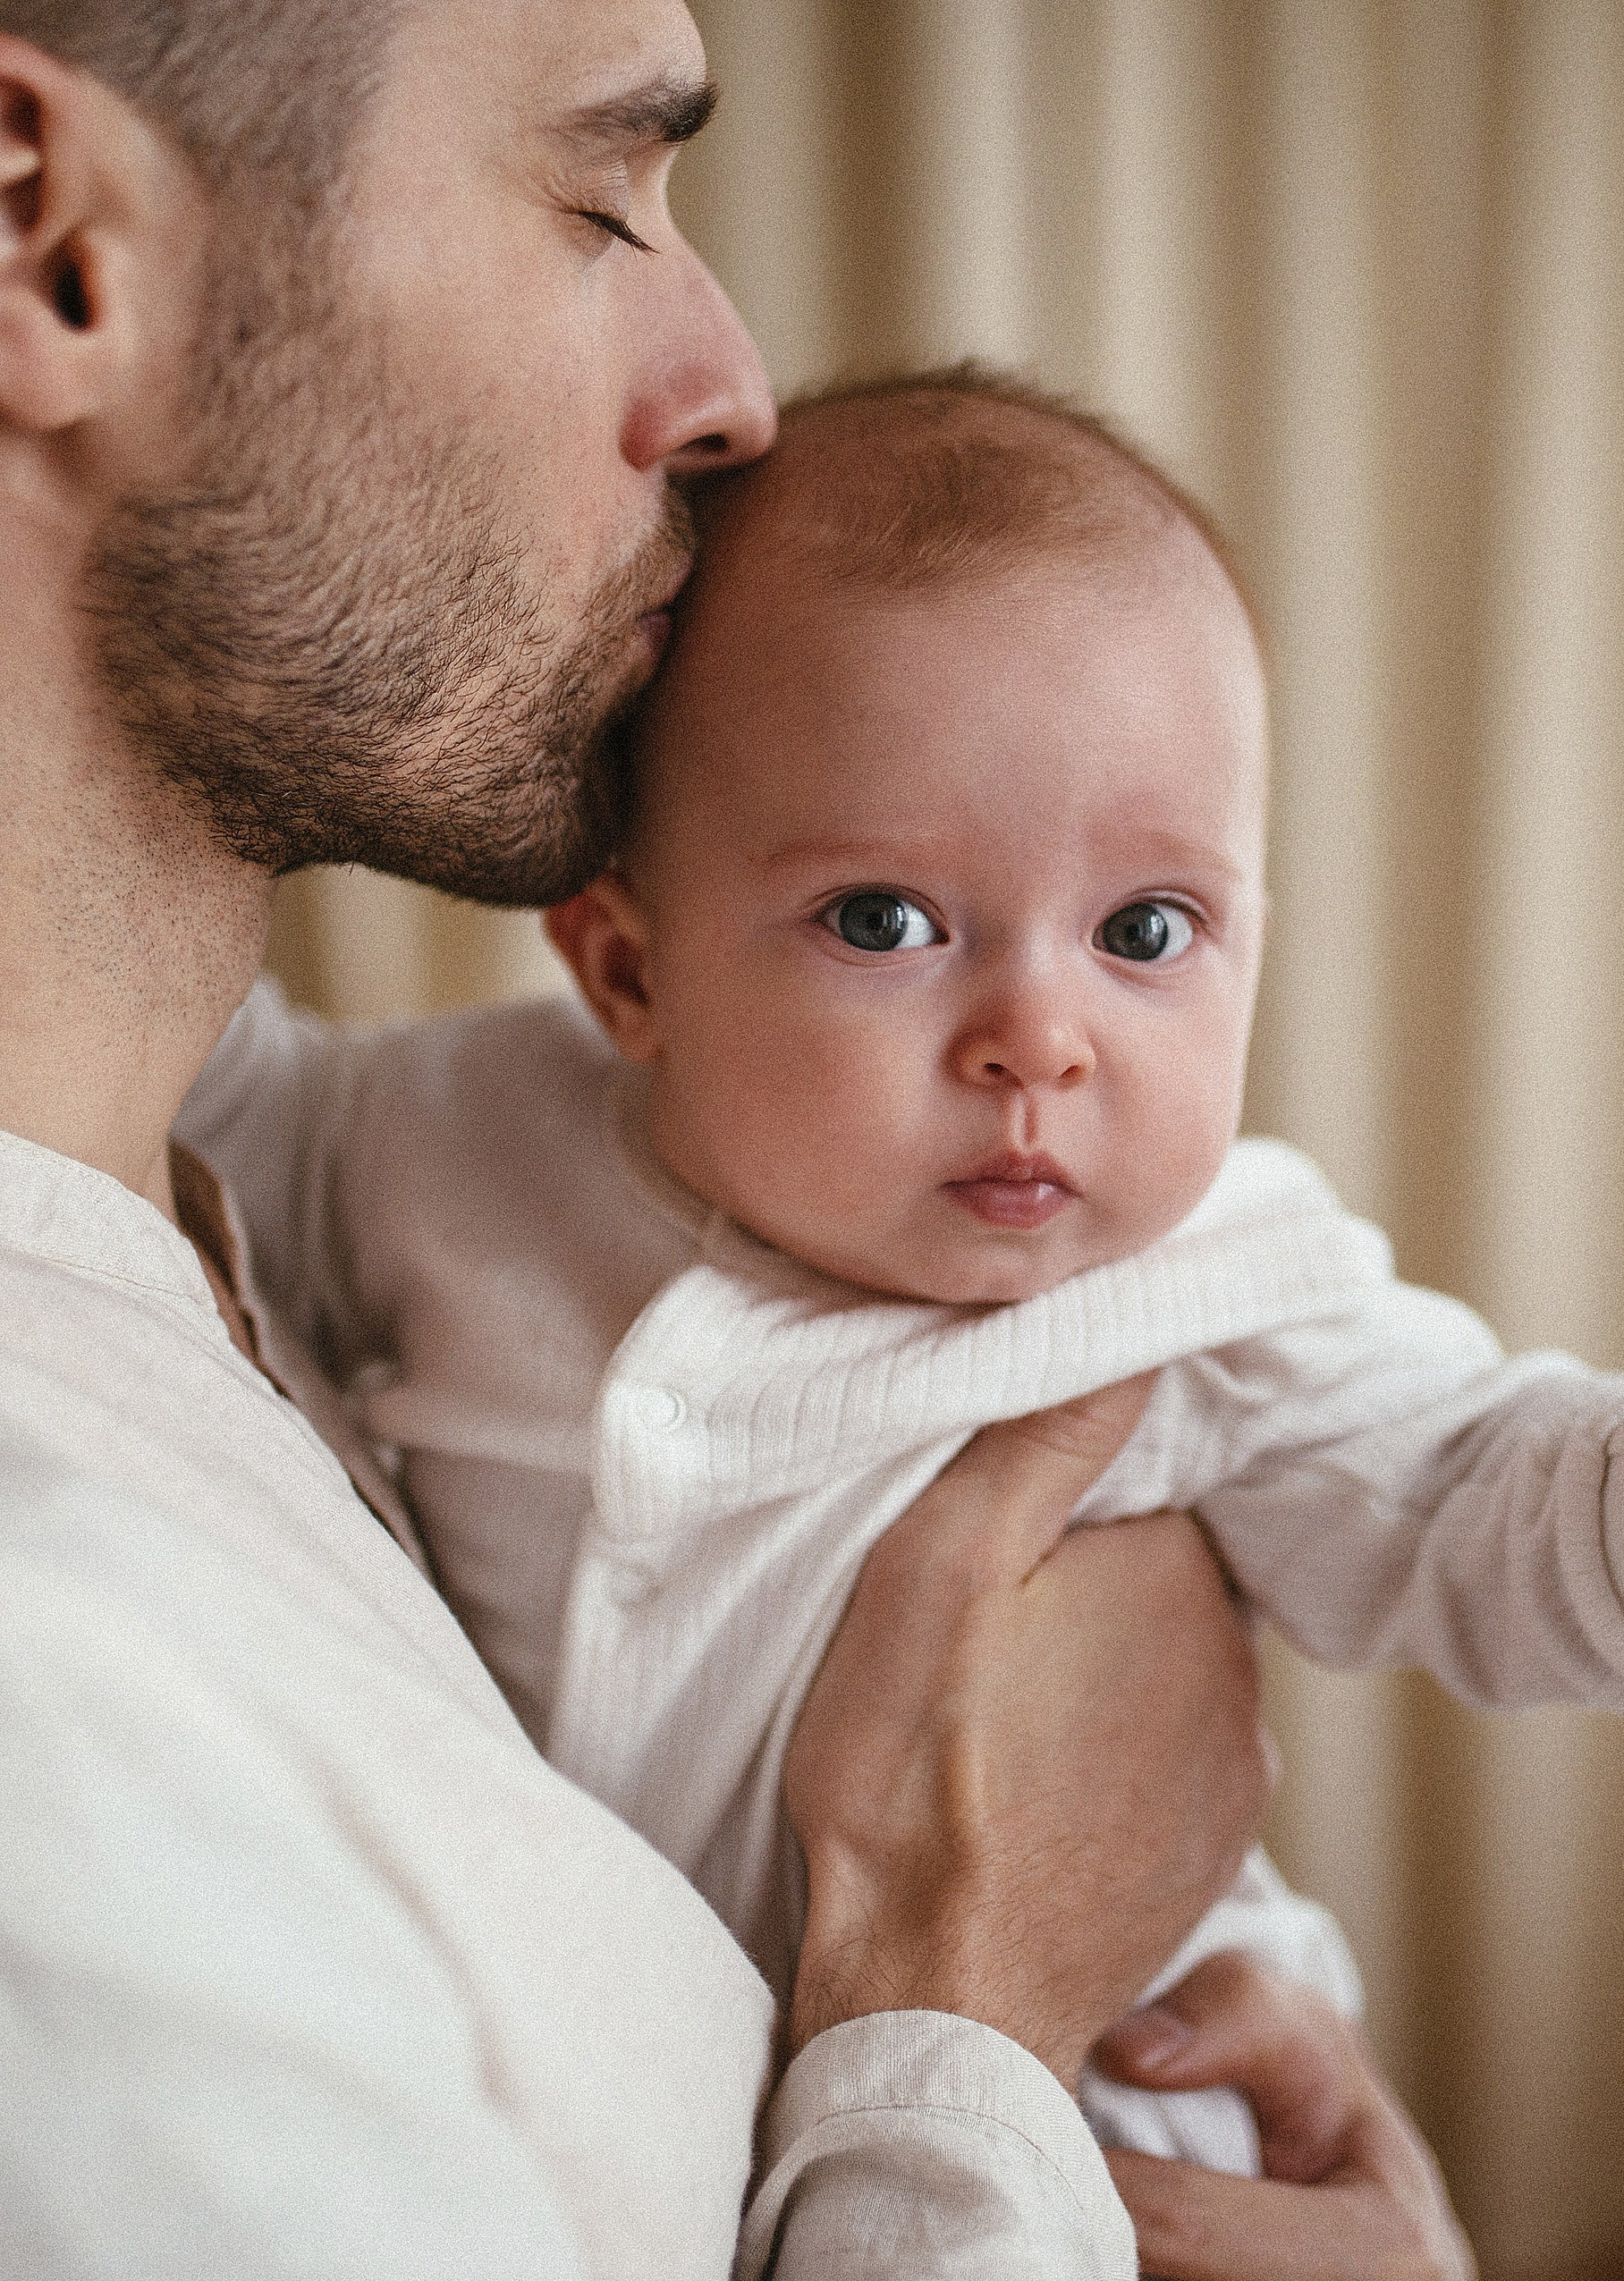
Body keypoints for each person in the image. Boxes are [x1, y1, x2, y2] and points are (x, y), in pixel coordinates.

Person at [0, 4, 1477, 2277]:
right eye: (600, 195)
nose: (733, 387)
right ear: (49, 242)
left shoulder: (231, 1226)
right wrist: (960, 1979)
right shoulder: (53, 1679)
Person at [181, 370, 1624, 2184]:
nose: (1039, 1038)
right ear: (629, 972)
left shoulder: (1218, 1289)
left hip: (1105, 2102)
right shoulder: (452, 1139)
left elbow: (1467, 1492)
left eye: (1144, 929)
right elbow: (203, 1085)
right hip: (603, 2108)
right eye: (884, 921)